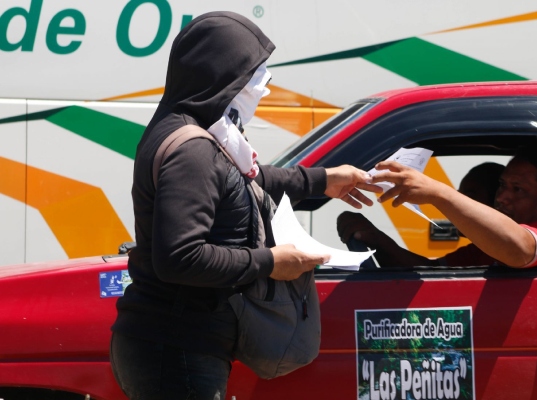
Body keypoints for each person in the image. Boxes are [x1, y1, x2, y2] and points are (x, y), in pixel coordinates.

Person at [110, 12, 379, 399]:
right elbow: (180, 257)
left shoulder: (193, 133)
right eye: (254, 78)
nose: (262, 89)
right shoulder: (194, 151)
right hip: (177, 349)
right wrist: (270, 261)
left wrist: (324, 181)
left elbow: (243, 182)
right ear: (223, 77)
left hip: (172, 345)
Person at [337, 145, 537, 268]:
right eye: (502, 185)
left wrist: (437, 193)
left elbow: (521, 249)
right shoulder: (488, 245)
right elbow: (432, 273)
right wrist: (377, 240)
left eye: (518, 189)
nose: (502, 198)